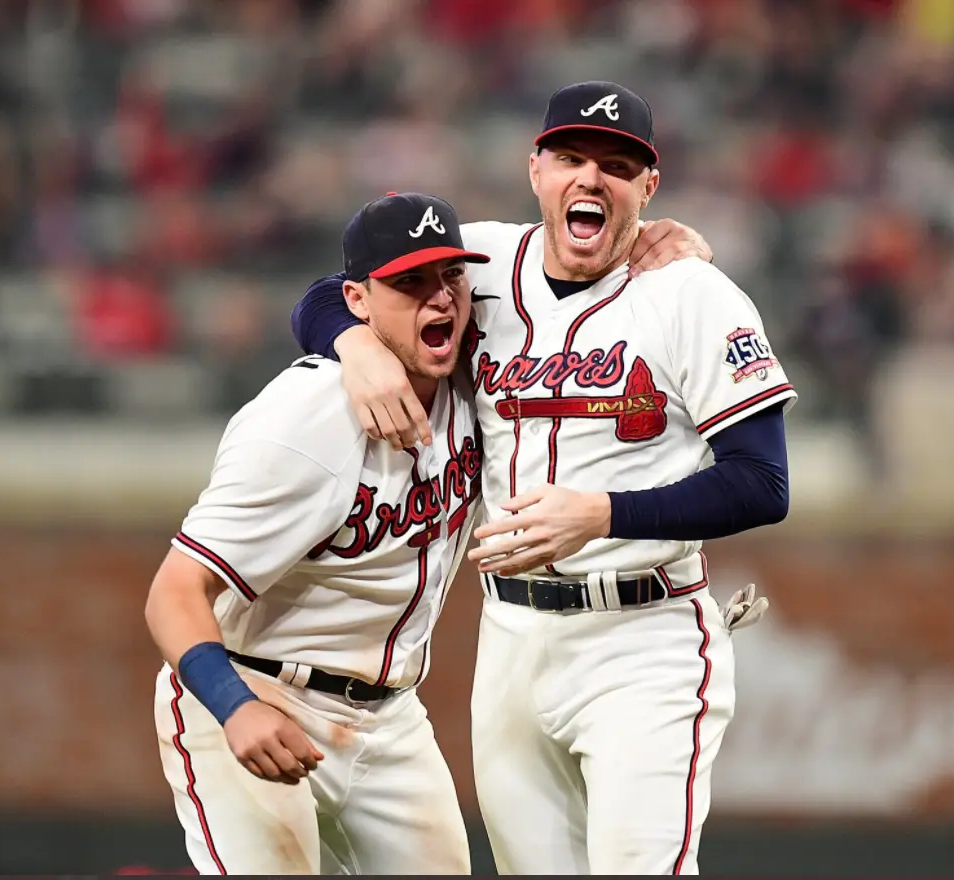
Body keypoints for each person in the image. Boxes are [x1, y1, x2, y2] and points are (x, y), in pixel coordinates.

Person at [292, 81, 794, 875]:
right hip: (512, 637)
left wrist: (601, 513)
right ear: (536, 171)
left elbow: (763, 483)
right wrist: (352, 346)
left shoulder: (693, 293)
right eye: (570, 158)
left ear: (648, 187)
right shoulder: (482, 261)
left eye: (617, 166)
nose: (590, 178)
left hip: (645, 636)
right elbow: (331, 293)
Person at [144, 192, 493, 875]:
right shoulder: (305, 420)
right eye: (410, 283)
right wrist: (233, 706)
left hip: (390, 719)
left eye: (450, 276)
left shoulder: (474, 382)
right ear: (359, 300)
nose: (441, 300)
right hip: (258, 685)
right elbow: (173, 592)